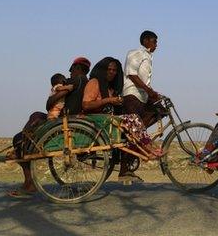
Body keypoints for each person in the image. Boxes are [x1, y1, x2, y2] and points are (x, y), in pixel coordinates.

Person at [8, 57, 91, 199]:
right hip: (67, 118)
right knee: (35, 116)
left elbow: (49, 103)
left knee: (21, 135)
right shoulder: (86, 83)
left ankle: (29, 178)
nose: (69, 73)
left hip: (63, 120)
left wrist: (54, 96)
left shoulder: (74, 81)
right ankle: (23, 145)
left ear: (77, 68)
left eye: (71, 70)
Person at [83, 57, 160, 183]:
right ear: (103, 70)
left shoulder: (109, 88)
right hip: (96, 120)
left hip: (106, 120)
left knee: (132, 122)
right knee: (133, 118)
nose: (112, 72)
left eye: (114, 70)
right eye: (109, 69)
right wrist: (109, 100)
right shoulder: (94, 83)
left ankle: (139, 153)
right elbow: (86, 105)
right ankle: (147, 148)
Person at [122, 30, 165, 128]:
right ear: (146, 41)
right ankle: (137, 134)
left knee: (162, 110)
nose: (156, 45)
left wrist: (153, 92)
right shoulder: (136, 53)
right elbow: (132, 75)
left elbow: (145, 80)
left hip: (143, 95)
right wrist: (149, 91)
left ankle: (140, 132)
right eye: (154, 42)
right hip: (133, 95)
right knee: (133, 128)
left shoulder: (148, 56)